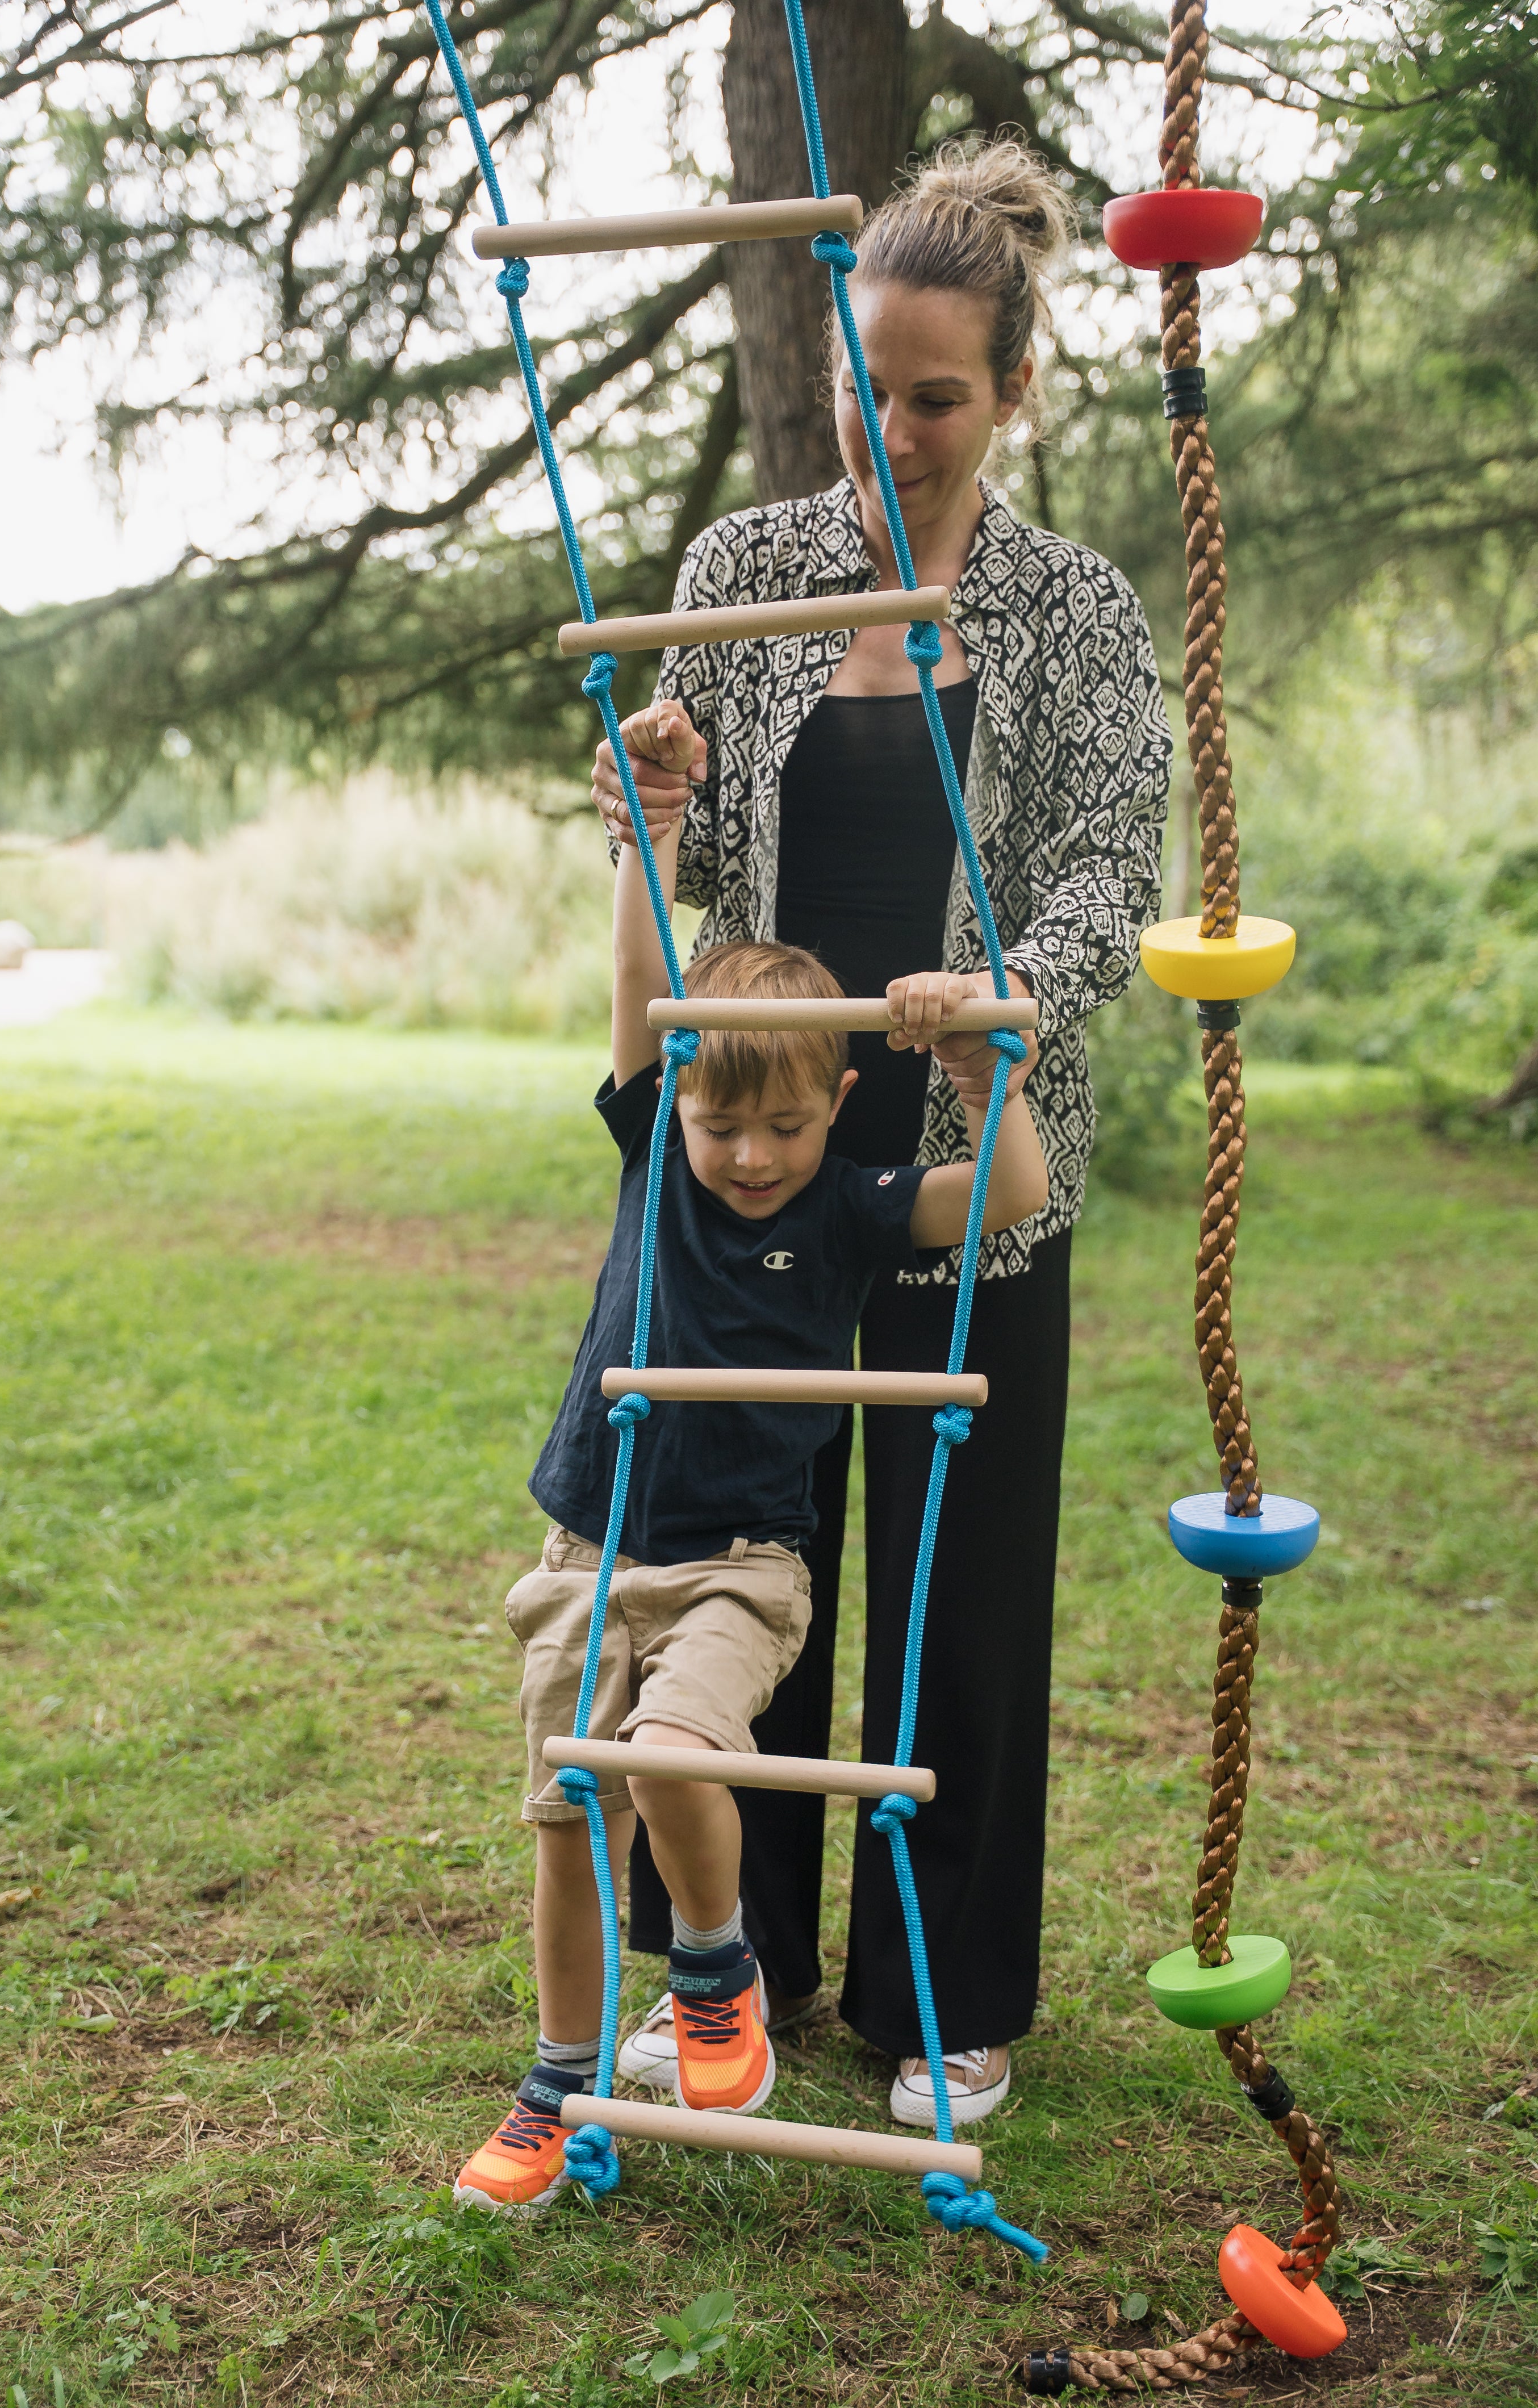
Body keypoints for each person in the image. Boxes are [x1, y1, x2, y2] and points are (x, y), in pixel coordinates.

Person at [591, 141, 1171, 2127]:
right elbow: (695, 869)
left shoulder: (1073, 611)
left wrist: (995, 999)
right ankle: (720, 1979)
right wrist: (654, 788)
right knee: (743, 1563)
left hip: (968, 1173)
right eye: (866, 383)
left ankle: (943, 2002)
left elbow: (1109, 871)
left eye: (937, 392)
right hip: (763, 1178)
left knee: (950, 1582)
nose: (895, 424)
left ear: (1012, 390)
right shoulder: (744, 576)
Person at [456, 767, 1048, 2211]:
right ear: (681, 1105)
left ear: (836, 1103)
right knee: (568, 1821)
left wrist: (986, 1075)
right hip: (591, 1541)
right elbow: (640, 986)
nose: (748, 1156)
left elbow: (1006, 1200)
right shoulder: (658, 1155)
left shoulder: (847, 1203)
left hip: (741, 1560)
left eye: (783, 1127)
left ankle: (717, 1973)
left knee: (668, 1753)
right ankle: (554, 2076)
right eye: (723, 1127)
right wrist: (650, 842)